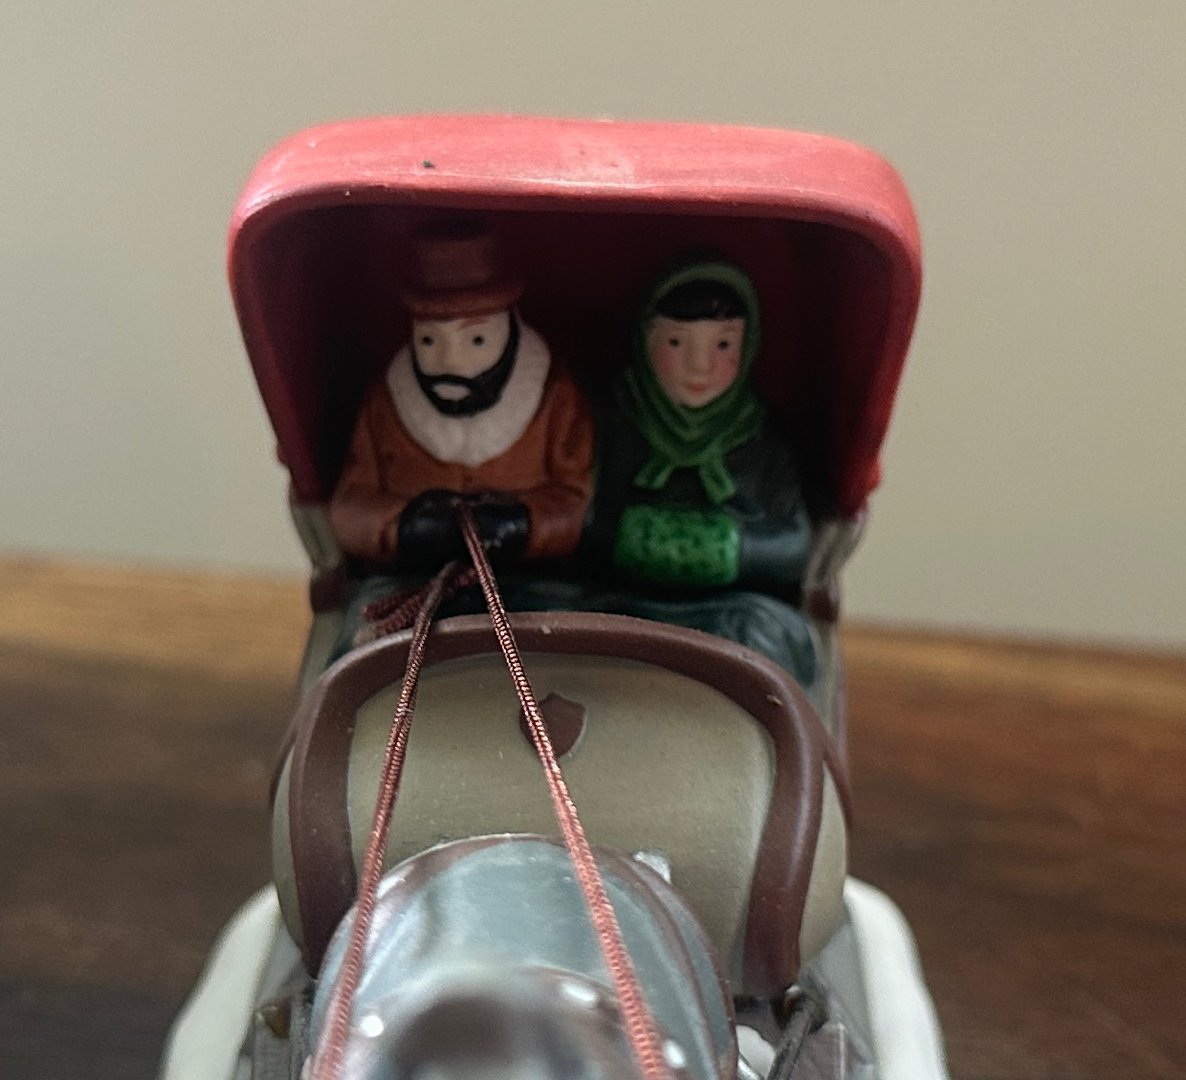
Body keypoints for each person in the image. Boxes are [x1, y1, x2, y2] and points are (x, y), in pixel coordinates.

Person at [327, 219, 594, 653]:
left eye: (476, 340)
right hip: (409, 584)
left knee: (564, 657)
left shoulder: (554, 396)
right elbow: (350, 508)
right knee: (363, 659)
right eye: (430, 341)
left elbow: (582, 501)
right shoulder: (385, 402)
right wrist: (405, 526)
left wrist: (524, 525)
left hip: (532, 583)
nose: (451, 362)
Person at [581, 256, 820, 697]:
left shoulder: (763, 437)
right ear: (645, 339)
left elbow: (794, 544)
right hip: (612, 600)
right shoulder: (607, 417)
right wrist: (630, 539)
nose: (699, 367)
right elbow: (571, 515)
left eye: (722, 345)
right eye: (676, 343)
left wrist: (721, 550)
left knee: (767, 641)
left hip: (725, 610)